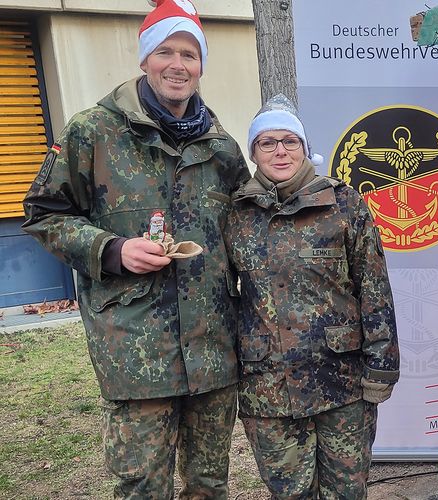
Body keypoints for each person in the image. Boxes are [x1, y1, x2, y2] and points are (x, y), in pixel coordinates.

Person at [21, 0, 249, 497]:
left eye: (189, 54)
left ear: (201, 65)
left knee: (209, 484)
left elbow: (248, 229)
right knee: (142, 486)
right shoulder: (93, 132)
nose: (178, 64)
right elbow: (42, 212)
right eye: (165, 51)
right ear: (144, 59)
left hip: (212, 349)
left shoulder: (222, 148)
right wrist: (111, 249)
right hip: (136, 351)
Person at [225, 94, 399, 500]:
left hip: (341, 382)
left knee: (346, 492)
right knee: (290, 494)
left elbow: (373, 288)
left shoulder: (343, 203)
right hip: (267, 386)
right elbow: (221, 296)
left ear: (305, 147)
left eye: (290, 141)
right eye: (267, 143)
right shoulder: (235, 213)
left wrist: (382, 368)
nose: (280, 150)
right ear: (253, 152)